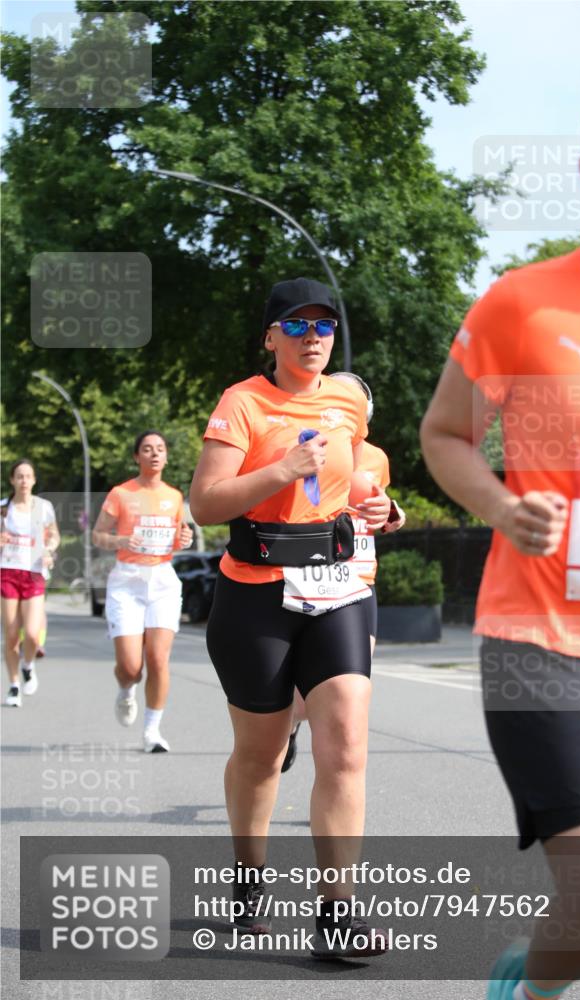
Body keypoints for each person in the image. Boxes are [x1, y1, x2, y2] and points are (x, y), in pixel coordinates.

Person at [421, 83, 580, 1000]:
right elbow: (446, 434)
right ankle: (525, 987)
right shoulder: (526, 304)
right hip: (548, 644)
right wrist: (498, 505)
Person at [190, 277, 391, 957]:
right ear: (271, 337)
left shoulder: (348, 401)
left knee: (347, 747)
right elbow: (206, 503)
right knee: (261, 756)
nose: (313, 338)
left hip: (337, 588)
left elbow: (354, 479)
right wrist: (282, 469)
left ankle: (338, 914)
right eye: (297, 326)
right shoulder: (242, 402)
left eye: (323, 326)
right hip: (256, 595)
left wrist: (382, 509)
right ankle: (249, 880)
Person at [281, 371, 406, 773]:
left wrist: (393, 512)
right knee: (304, 700)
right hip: (308, 579)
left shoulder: (377, 458)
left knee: (350, 691)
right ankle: (289, 725)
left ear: (365, 414)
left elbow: (380, 504)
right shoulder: (305, 448)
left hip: (359, 582)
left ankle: (336, 777)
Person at [92, 431, 193, 753]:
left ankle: (152, 732)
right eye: (147, 449)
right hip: (127, 581)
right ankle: (126, 689)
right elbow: (97, 535)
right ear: (137, 456)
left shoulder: (174, 496)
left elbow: (177, 536)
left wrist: (184, 539)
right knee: (131, 667)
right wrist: (120, 540)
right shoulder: (121, 493)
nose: (154, 454)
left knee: (158, 659)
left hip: (162, 581)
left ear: (166, 456)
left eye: (160, 449)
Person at [0, 459, 59, 707]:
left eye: (28, 476)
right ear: (12, 480)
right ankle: (14, 685)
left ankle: (28, 664)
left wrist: (49, 550)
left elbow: (54, 535)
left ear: (34, 480)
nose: (24, 480)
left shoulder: (42, 507)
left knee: (33, 635)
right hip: (8, 571)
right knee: (12, 635)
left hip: (34, 572)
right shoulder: (3, 508)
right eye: (19, 476)